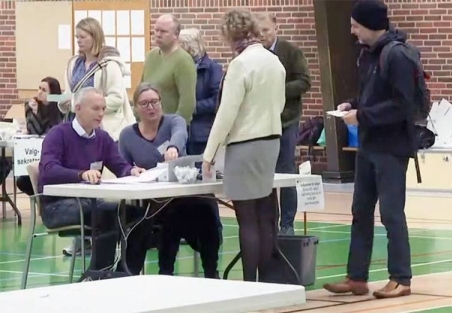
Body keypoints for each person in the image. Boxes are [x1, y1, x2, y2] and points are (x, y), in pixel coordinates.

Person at [323, 0, 416, 299]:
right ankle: (357, 276)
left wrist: (364, 116)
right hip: (369, 144)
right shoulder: (368, 55)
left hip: (392, 147)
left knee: (391, 213)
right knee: (360, 212)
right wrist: (354, 104)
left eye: (355, 25)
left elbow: (405, 105)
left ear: (370, 24)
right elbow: (373, 95)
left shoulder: (398, 55)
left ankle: (401, 277)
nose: (352, 31)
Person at [202, 8, 286, 282]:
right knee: (265, 216)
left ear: (229, 35)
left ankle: (249, 283)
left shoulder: (240, 64)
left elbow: (227, 113)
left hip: (245, 144)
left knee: (246, 219)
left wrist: (209, 153)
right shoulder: (274, 61)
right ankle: (265, 280)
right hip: (271, 141)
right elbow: (281, 104)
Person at [38, 87, 149, 275]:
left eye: (103, 109)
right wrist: (80, 174)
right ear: (78, 108)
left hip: (90, 202)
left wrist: (132, 170)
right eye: (95, 108)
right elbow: (48, 170)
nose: (101, 114)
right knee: (106, 212)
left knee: (142, 216)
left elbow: (119, 166)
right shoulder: (58, 134)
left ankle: (125, 273)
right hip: (56, 206)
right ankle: (97, 274)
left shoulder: (103, 138)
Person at [119, 82, 222, 278]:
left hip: (183, 195)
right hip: (151, 203)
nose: (151, 107)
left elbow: (180, 133)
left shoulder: (174, 121)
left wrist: (173, 147)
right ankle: (164, 272)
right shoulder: (127, 135)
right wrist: (131, 170)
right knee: (169, 218)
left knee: (205, 209)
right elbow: (121, 166)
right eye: (145, 103)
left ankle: (211, 271)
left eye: (155, 102)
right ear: (136, 108)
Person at [58, 17, 135, 257]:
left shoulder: (109, 65)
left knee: (104, 187)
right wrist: (66, 103)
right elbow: (71, 94)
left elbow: (116, 98)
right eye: (77, 38)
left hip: (106, 131)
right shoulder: (73, 64)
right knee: (81, 181)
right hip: (77, 128)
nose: (79, 41)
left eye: (83, 37)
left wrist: (93, 106)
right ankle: (83, 237)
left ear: (95, 37)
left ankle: (105, 238)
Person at [255, 12, 312, 235]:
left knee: (286, 171)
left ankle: (287, 223)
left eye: (266, 31)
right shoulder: (253, 54)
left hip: (287, 120)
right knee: (266, 173)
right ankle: (269, 221)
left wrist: (278, 90)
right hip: (261, 123)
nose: (262, 36)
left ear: (276, 28)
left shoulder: (290, 51)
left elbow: (304, 81)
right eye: (258, 33)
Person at [142, 14, 197, 124]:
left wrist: (176, 129)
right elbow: (141, 90)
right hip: (147, 127)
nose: (158, 34)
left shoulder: (183, 60)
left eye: (163, 31)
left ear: (176, 35)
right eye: (156, 30)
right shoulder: (151, 56)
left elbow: (187, 103)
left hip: (169, 128)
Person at [177, 28, 223, 155]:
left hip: (201, 135)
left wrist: (191, 108)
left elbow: (217, 100)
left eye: (179, 46)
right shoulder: (178, 67)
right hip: (180, 133)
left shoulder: (212, 69)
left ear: (188, 47)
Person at [17, 77, 64, 196]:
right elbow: (34, 131)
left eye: (44, 90)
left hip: (52, 156)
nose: (39, 92)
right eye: (39, 88)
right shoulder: (31, 105)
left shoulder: (60, 109)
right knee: (22, 181)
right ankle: (40, 202)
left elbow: (51, 131)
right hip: (33, 153)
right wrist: (34, 113)